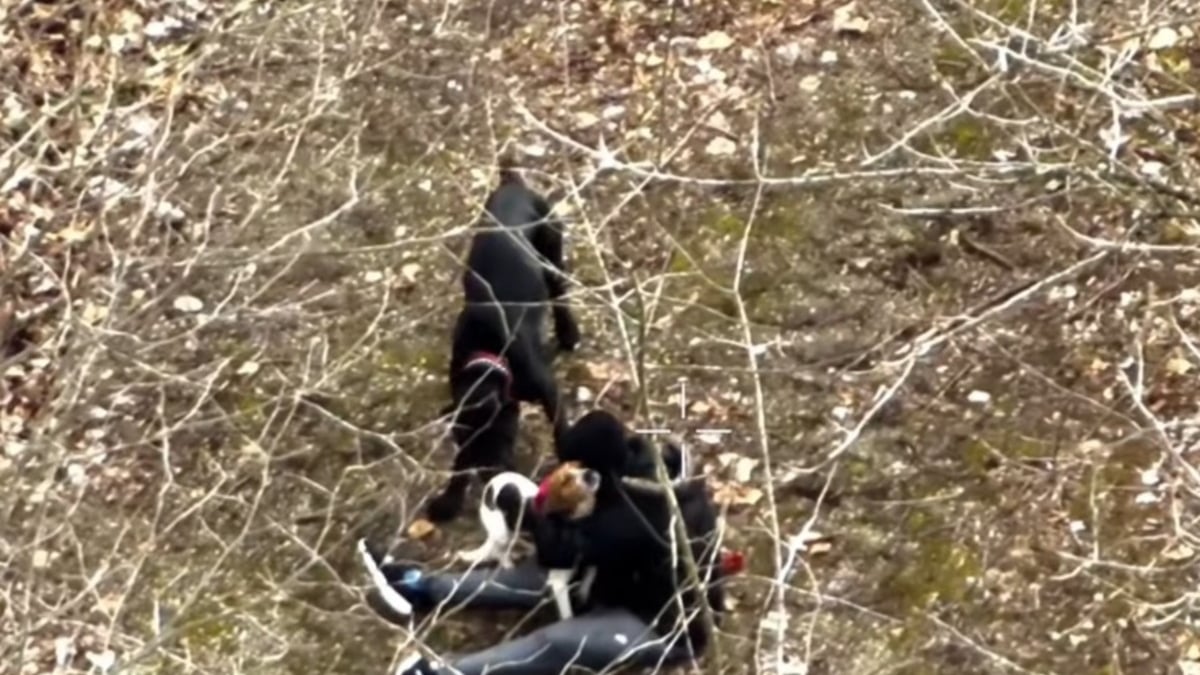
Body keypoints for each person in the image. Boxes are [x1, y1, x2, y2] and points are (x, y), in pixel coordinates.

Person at [361, 411, 741, 675]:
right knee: (540, 579)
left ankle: (446, 671)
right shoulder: (643, 466)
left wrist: (529, 512)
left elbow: (560, 549)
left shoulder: (643, 517)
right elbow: (582, 538)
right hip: (624, 581)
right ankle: (418, 587)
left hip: (663, 626)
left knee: (556, 643)